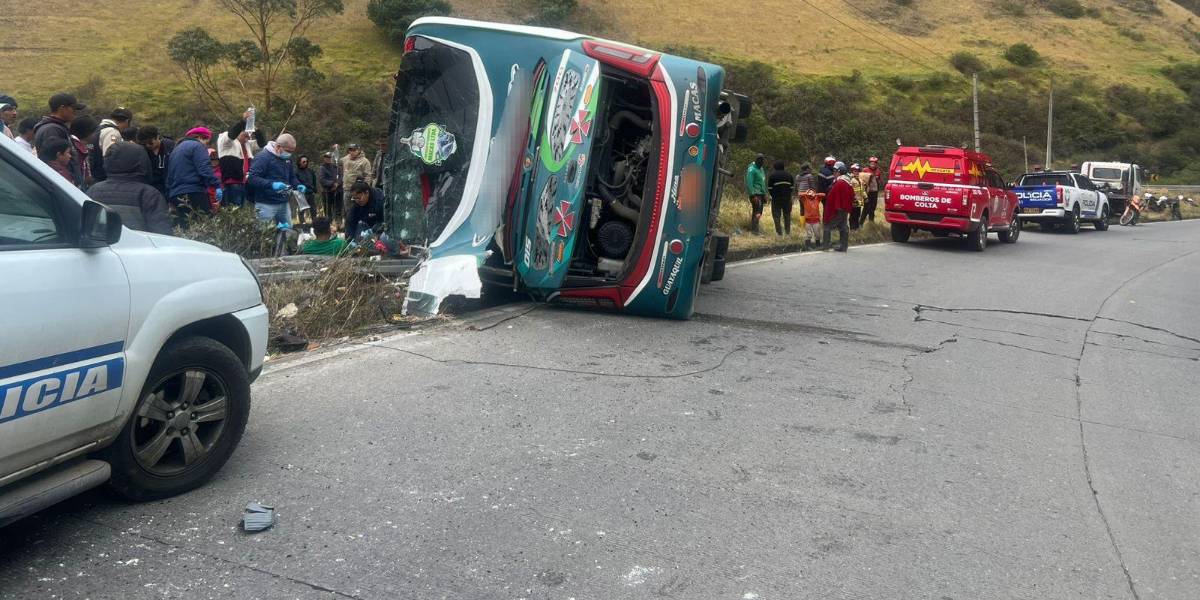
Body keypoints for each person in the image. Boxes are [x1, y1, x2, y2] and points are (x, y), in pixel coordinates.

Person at [85, 141, 172, 235]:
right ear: (142, 162)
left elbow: (84, 226)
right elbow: (162, 234)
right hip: (138, 244)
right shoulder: (149, 195)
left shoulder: (93, 191)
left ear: (107, 162)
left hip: (102, 243)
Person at [165, 126, 220, 228]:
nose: (206, 145)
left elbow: (169, 177)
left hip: (176, 195)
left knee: (185, 227)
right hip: (194, 192)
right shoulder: (197, 146)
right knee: (205, 225)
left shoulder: (175, 150)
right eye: (206, 141)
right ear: (200, 137)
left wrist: (169, 197)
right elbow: (204, 168)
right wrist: (217, 185)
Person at [247, 133, 302, 225]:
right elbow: (252, 178)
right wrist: (271, 184)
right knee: (264, 231)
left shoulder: (287, 159)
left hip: (284, 203)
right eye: (288, 151)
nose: (289, 154)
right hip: (265, 204)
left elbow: (291, 176)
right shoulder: (263, 157)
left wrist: (298, 185)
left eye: (292, 151)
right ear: (278, 147)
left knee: (287, 230)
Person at [216, 111, 264, 207]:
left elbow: (262, 144)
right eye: (245, 135)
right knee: (233, 209)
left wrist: (256, 130)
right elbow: (231, 135)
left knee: (243, 210)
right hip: (232, 182)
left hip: (245, 182)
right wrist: (243, 121)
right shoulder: (225, 140)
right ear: (239, 131)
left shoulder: (247, 144)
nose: (247, 138)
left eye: (249, 136)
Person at [34, 93, 85, 181]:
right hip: (62, 182)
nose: (75, 112)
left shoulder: (56, 127)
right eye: (73, 109)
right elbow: (55, 163)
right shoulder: (52, 130)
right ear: (62, 108)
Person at [91, 107, 134, 183]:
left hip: (95, 173)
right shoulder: (112, 132)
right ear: (127, 121)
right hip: (103, 176)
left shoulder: (101, 128)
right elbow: (110, 154)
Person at [823, 162, 854, 252]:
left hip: (838, 209)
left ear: (839, 172)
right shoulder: (847, 181)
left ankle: (825, 246)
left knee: (827, 226)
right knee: (843, 226)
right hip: (844, 208)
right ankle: (843, 246)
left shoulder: (840, 182)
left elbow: (833, 196)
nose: (833, 173)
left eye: (835, 171)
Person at [136, 126, 174, 197]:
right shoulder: (142, 151)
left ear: (157, 137)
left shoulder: (169, 146)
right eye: (144, 144)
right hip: (151, 188)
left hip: (169, 185)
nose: (147, 145)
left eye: (150, 142)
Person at [341, 143, 374, 221]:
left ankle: (360, 224)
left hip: (358, 190)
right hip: (347, 188)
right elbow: (336, 161)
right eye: (350, 150)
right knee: (347, 209)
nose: (352, 152)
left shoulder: (364, 161)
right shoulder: (345, 159)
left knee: (358, 209)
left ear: (358, 150)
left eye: (354, 150)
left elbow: (368, 176)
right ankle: (349, 224)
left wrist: (366, 189)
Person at [69, 116, 98, 189]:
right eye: (94, 132)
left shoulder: (85, 146)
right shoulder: (74, 149)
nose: (96, 135)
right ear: (88, 132)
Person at [767, 160, 794, 236]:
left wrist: (773, 195)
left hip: (776, 199)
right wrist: (788, 194)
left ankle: (779, 233)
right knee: (787, 215)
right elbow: (792, 187)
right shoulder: (789, 175)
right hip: (787, 198)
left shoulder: (772, 175)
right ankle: (787, 232)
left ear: (775, 167)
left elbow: (770, 188)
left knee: (776, 216)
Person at [744, 154, 767, 234]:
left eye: (764, 161)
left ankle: (755, 229)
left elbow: (762, 182)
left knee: (758, 212)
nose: (763, 162)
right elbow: (749, 183)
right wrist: (752, 195)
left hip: (761, 194)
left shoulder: (761, 169)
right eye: (761, 160)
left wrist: (764, 193)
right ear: (757, 160)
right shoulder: (751, 170)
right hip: (755, 194)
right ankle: (754, 231)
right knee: (757, 212)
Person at [295, 155, 318, 224]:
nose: (305, 163)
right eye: (303, 161)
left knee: (313, 209)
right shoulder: (296, 172)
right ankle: (302, 224)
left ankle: (315, 223)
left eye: (306, 161)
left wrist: (314, 188)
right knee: (302, 209)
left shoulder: (310, 171)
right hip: (302, 193)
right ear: (299, 162)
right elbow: (295, 183)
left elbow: (314, 180)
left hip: (310, 193)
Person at [319, 151, 341, 220]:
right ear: (324, 158)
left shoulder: (336, 167)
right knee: (327, 209)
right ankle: (328, 222)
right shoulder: (322, 168)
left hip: (336, 191)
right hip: (327, 191)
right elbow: (322, 180)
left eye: (329, 157)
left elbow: (340, 177)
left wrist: (337, 184)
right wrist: (332, 184)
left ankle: (337, 222)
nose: (328, 159)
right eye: (326, 157)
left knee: (337, 208)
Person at [800, 187, 823, 251]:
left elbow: (823, 195)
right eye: (809, 192)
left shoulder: (817, 198)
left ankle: (818, 246)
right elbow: (800, 194)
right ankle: (807, 246)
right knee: (809, 234)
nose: (811, 193)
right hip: (808, 221)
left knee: (817, 234)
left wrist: (816, 194)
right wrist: (806, 193)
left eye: (812, 192)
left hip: (816, 220)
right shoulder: (805, 199)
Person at [861, 156, 882, 223]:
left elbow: (880, 180)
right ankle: (861, 223)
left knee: (873, 208)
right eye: (871, 163)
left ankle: (871, 223)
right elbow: (861, 180)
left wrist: (879, 181)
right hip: (867, 192)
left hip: (875, 192)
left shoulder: (878, 171)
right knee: (866, 208)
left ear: (876, 164)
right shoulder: (865, 170)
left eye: (874, 163)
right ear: (869, 163)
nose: (873, 164)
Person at [848, 163, 866, 230]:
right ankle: (852, 228)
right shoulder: (851, 180)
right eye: (855, 171)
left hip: (859, 202)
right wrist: (853, 199)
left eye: (858, 171)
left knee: (858, 215)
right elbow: (849, 191)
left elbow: (863, 190)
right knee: (852, 215)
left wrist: (865, 197)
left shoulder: (860, 180)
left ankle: (856, 227)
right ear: (852, 171)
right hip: (853, 202)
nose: (856, 172)